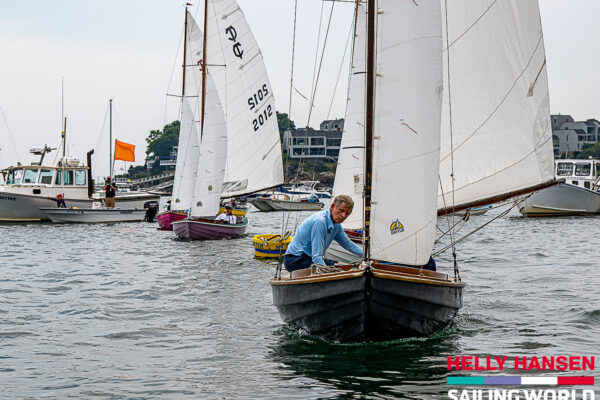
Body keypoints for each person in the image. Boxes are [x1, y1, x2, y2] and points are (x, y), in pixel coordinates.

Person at [284, 194, 363, 272]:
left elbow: (349, 245)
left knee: (344, 266)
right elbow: (316, 257)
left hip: (309, 258)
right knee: (339, 270)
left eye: (347, 213)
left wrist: (368, 257)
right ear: (332, 207)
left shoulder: (337, 226)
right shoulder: (320, 221)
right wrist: (327, 271)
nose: (343, 215)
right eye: (341, 210)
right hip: (295, 260)